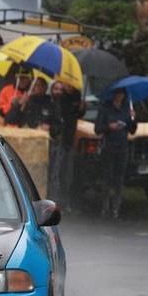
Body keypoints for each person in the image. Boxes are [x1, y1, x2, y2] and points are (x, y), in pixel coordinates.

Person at [94, 88, 137, 218]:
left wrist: (133, 118)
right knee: (108, 177)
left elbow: (132, 130)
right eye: (117, 93)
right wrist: (109, 127)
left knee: (119, 179)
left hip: (122, 147)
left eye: (121, 94)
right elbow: (97, 129)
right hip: (109, 147)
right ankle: (105, 207)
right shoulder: (105, 108)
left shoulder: (126, 109)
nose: (119, 96)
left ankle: (116, 208)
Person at [54, 82, 86, 212]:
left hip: (69, 138)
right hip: (59, 138)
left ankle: (65, 201)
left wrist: (82, 109)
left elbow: (76, 116)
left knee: (67, 173)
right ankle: (54, 202)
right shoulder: (61, 97)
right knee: (55, 173)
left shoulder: (76, 96)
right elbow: (63, 113)